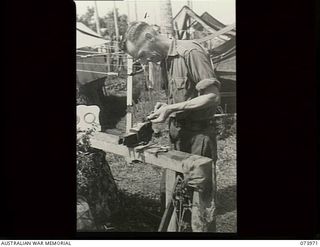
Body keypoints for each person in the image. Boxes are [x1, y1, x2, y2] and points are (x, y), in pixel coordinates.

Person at [120, 21, 220, 232]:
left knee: (199, 202)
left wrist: (173, 107)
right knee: (177, 197)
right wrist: (167, 107)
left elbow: (212, 96)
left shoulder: (190, 51)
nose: (144, 61)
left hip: (199, 136)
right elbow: (184, 97)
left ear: (149, 37)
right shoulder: (165, 61)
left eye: (141, 55)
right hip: (178, 135)